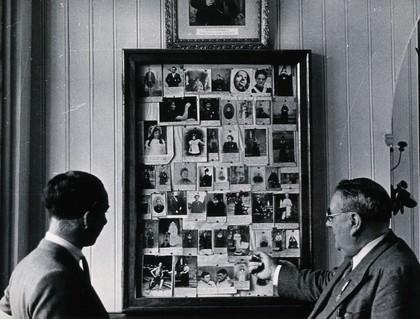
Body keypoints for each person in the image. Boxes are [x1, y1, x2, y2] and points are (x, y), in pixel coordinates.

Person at [249, 178, 420, 318]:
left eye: (331, 216)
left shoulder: (395, 270)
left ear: (354, 221)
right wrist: (273, 271)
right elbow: (327, 284)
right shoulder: (365, 254)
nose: (328, 224)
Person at [0, 171, 110, 318]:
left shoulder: (25, 265)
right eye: (104, 212)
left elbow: (3, 312)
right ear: (87, 218)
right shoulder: (58, 278)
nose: (105, 221)